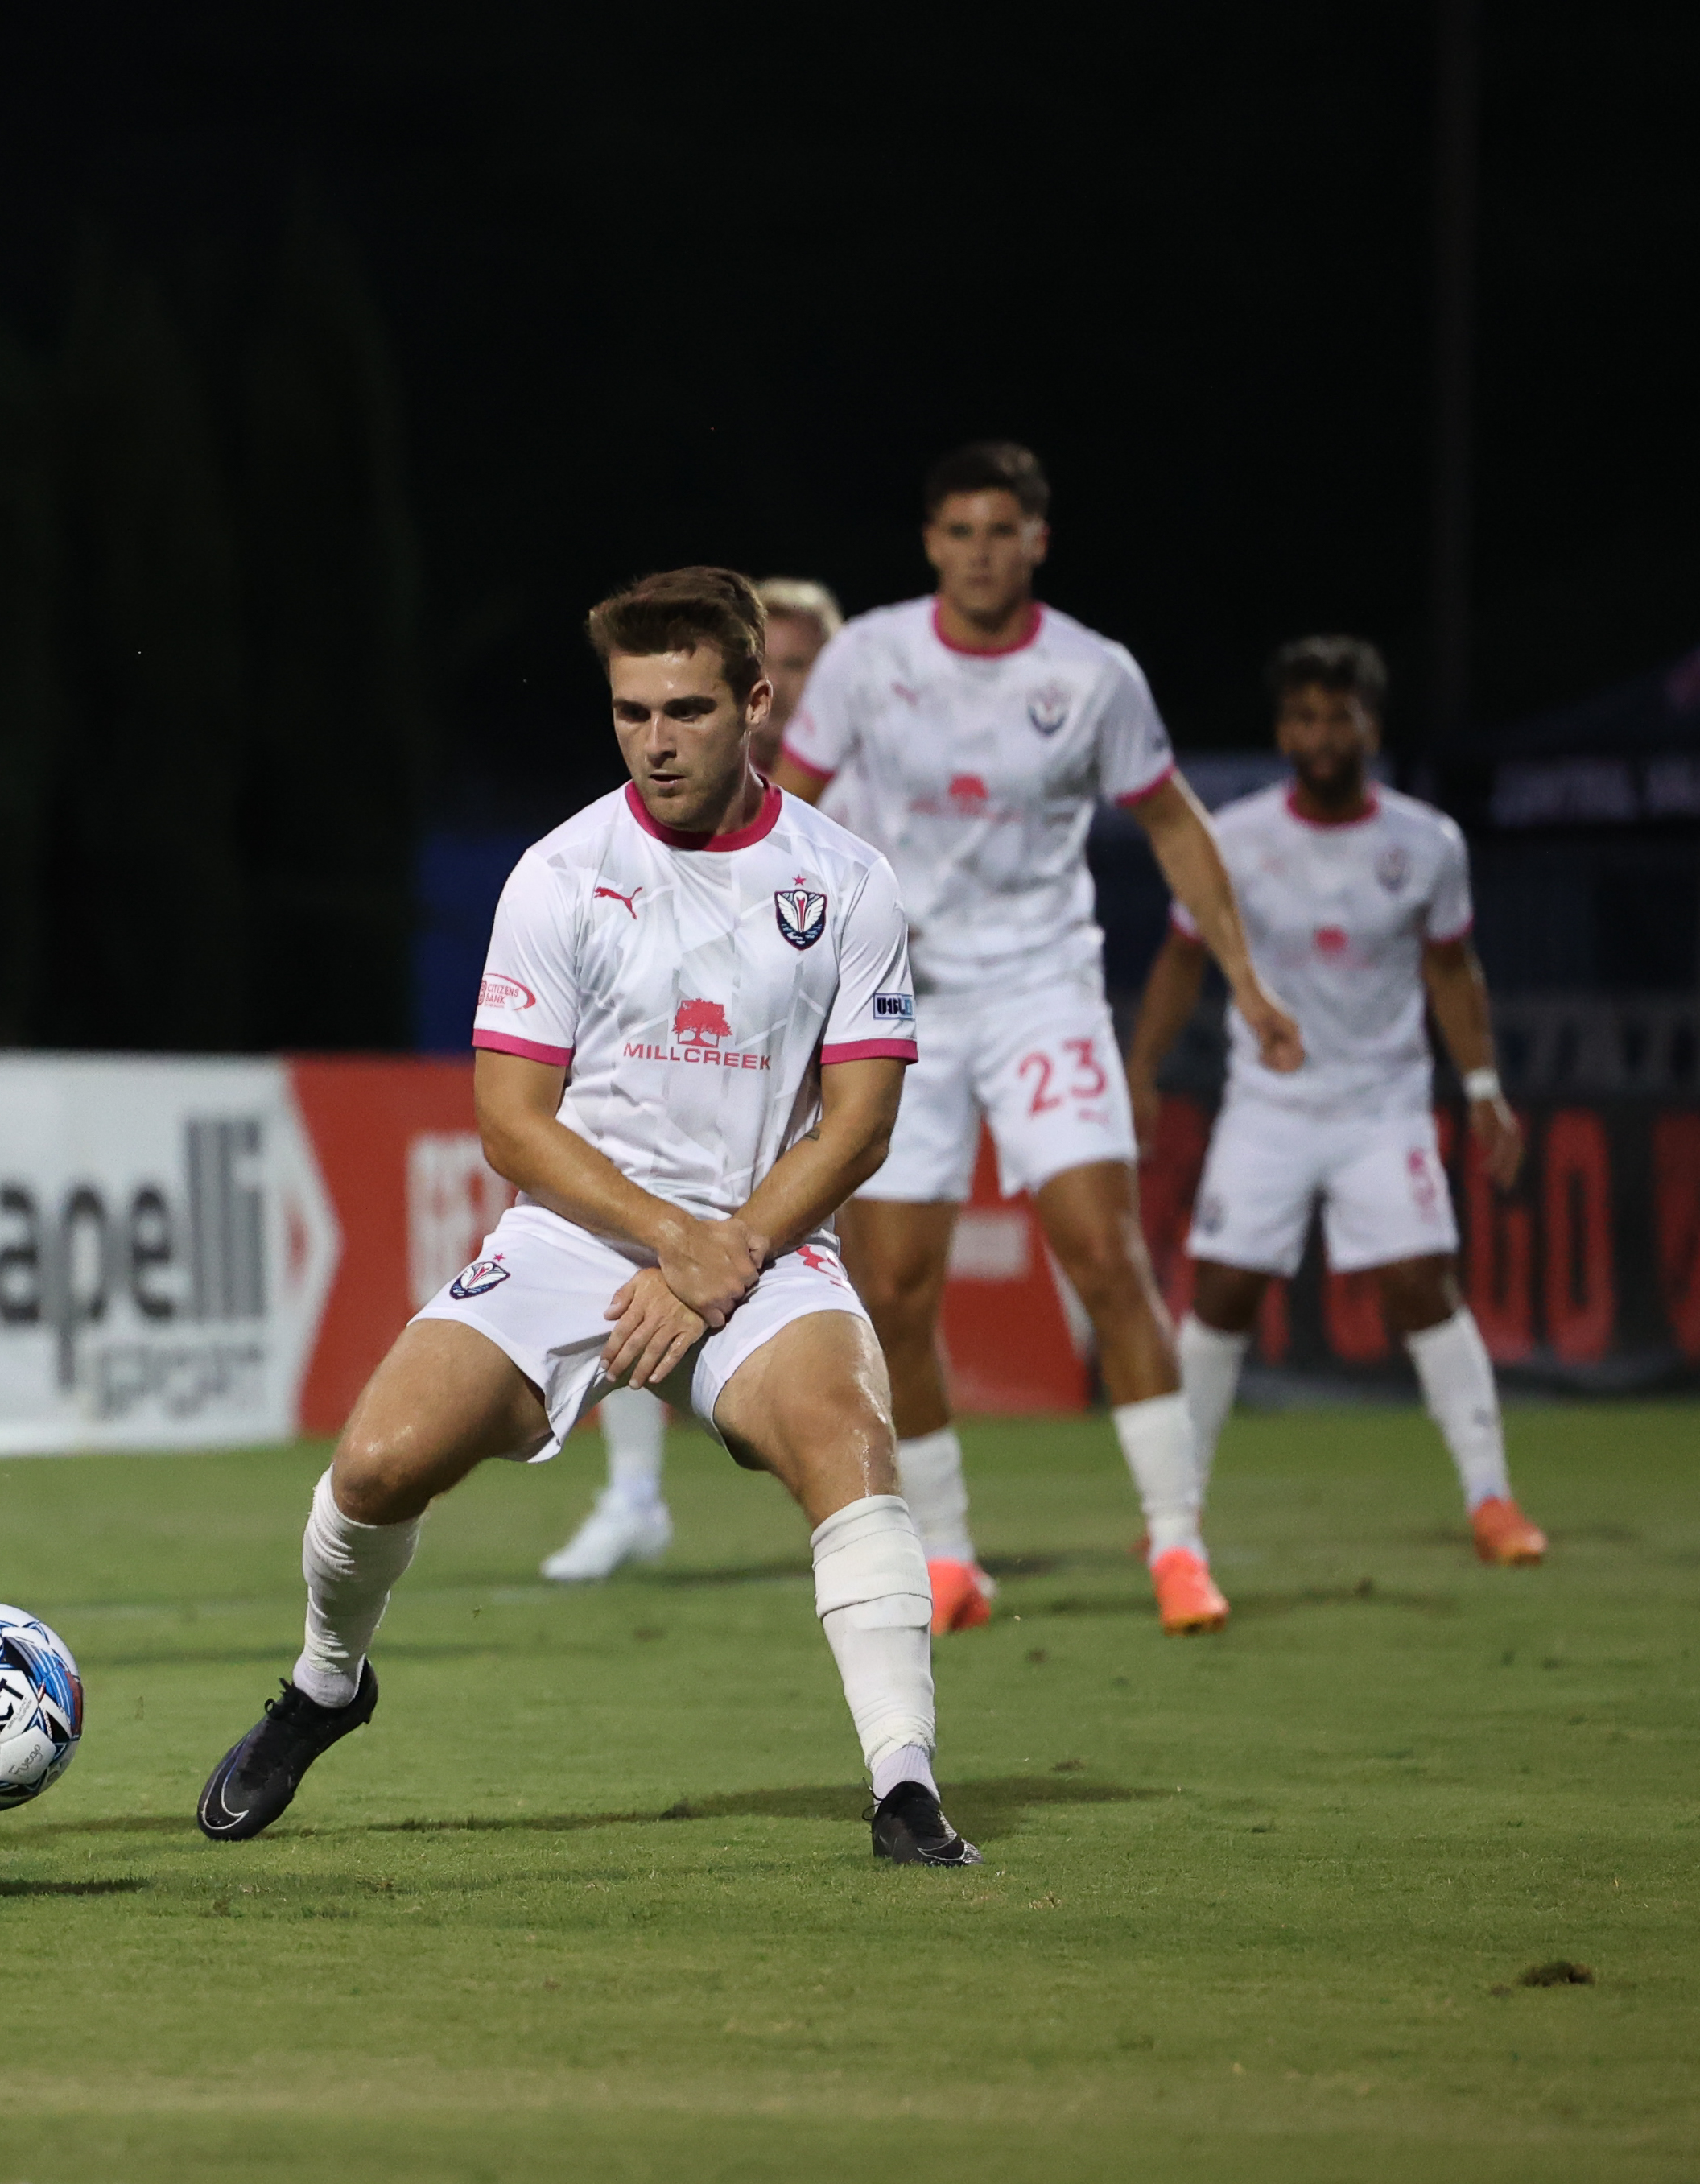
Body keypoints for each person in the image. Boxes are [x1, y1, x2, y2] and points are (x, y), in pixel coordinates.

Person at [200, 567, 976, 1864]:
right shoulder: (559, 872)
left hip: (764, 1243)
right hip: (576, 1238)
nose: (654, 742)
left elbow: (858, 1126)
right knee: (379, 1463)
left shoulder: (845, 881)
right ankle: (325, 1682)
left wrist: (722, 1251)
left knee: (844, 1433)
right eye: (628, 713)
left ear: (755, 702)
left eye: (685, 709)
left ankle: (904, 1786)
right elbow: (510, 1124)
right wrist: (674, 1241)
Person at [772, 443, 1303, 1638]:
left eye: (999, 531)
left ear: (1035, 543)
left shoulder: (1090, 673)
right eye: (957, 531)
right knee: (895, 1288)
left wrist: (1245, 983)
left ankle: (1175, 1544)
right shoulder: (869, 658)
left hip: (1040, 991)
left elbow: (1171, 824)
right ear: (928, 543)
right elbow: (784, 817)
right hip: (896, 1000)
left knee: (1101, 1254)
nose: (977, 552)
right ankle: (950, 1559)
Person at [1127, 638, 1543, 1564]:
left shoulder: (1423, 842)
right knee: (1224, 1292)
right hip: (1267, 1105)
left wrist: (1481, 1088)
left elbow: (1449, 968)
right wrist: (1140, 1072)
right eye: (1304, 715)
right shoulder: (1231, 838)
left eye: (1338, 714)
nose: (1321, 733)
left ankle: (1489, 1497)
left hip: (1379, 1103)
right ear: (1282, 729)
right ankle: (1176, 1515)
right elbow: (1180, 959)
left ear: (1369, 725)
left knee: (1417, 1283)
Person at [545, 572, 846, 1583]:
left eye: (808, 666)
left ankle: (906, 1519)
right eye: (638, 710)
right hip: (699, 1082)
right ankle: (632, 1494)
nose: (658, 731)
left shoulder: (848, 817)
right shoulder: (608, 842)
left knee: (875, 1289)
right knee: (639, 1227)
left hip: (828, 1072)